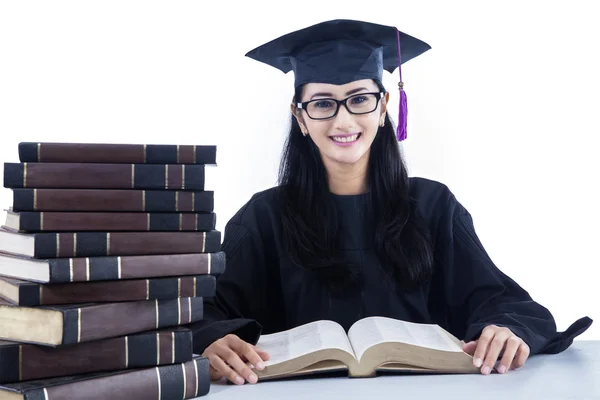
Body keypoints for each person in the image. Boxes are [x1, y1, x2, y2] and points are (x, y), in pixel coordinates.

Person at [188, 19, 592, 385]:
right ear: (300, 118)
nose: (343, 121)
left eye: (359, 99)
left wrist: (506, 329)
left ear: (382, 107)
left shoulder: (433, 206)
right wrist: (212, 339)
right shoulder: (264, 217)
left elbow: (499, 299)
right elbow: (201, 310)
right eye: (323, 103)